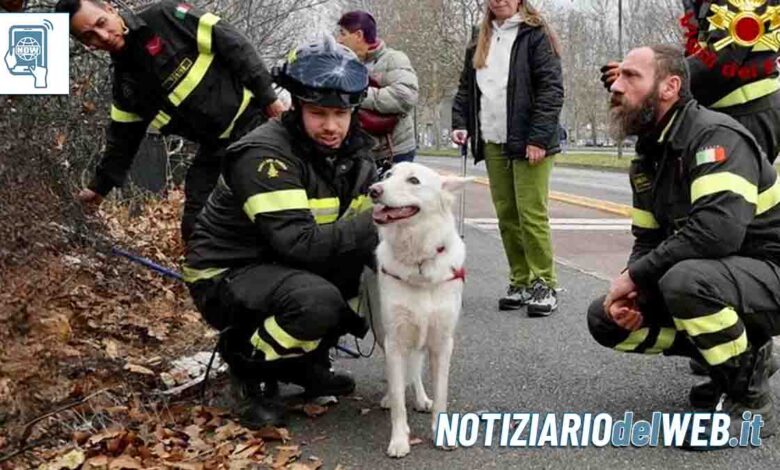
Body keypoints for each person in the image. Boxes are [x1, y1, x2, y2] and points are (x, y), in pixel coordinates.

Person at [587, 44, 780, 448]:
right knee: (605, 319)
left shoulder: (715, 136)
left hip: (769, 272)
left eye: (631, 76)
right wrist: (634, 289)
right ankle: (732, 365)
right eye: (617, 76)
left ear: (670, 86)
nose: (616, 87)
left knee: (685, 282)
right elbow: (648, 240)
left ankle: (748, 393)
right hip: (726, 277)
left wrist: (636, 276)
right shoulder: (647, 156)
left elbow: (716, 233)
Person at [182, 35, 377, 428]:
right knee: (316, 301)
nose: (331, 126)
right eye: (319, 112)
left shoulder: (354, 155)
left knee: (368, 284)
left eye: (342, 114)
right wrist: (379, 222)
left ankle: (304, 365)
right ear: (297, 106)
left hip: (281, 267)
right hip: (226, 274)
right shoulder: (265, 154)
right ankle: (249, 369)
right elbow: (298, 243)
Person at [55, 0, 285, 240]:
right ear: (86, 44)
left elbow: (232, 42)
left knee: (270, 198)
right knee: (195, 227)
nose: (103, 36)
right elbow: (122, 143)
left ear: (109, 8)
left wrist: (270, 100)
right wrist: (97, 189)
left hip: (256, 122)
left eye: (101, 23)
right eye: (90, 36)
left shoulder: (166, 16)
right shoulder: (125, 87)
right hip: (215, 148)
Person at [451, 0, 563, 316]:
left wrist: (539, 138)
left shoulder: (536, 34)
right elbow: (466, 88)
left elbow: (551, 89)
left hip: (529, 140)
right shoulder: (479, 37)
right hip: (493, 138)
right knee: (506, 214)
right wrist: (461, 123)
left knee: (530, 213)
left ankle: (545, 282)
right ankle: (521, 280)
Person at [601, 0, 780, 163]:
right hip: (721, 112)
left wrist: (651, 75)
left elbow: (722, 57)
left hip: (746, 114)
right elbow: (699, 51)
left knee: (726, 190)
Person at [336, 10, 419, 168]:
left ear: (358, 35)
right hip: (359, 152)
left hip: (393, 152)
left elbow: (406, 96)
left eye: (342, 33)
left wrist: (358, 95)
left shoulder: (393, 59)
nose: (338, 40)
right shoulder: (344, 64)